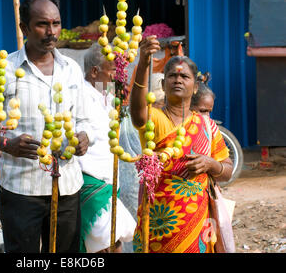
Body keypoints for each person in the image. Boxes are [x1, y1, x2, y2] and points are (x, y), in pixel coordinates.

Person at [0, 0, 93, 253]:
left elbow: (84, 119)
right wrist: (7, 144)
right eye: (42, 24)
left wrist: (84, 137)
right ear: (24, 28)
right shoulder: (1, 69)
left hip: (67, 184)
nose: (51, 31)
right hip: (21, 188)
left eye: (56, 24)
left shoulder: (71, 69)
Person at [129, 36, 233, 253]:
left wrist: (210, 164)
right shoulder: (154, 118)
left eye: (184, 76)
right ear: (163, 84)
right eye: (172, 76)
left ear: (195, 87)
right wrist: (144, 62)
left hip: (198, 225)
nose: (177, 79)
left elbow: (227, 170)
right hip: (158, 223)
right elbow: (137, 113)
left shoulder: (207, 125)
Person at [78, 43, 136, 253]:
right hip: (90, 180)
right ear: (94, 71)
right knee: (106, 241)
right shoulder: (79, 97)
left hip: (109, 182)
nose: (117, 77)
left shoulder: (108, 97)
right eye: (113, 71)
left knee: (116, 236)